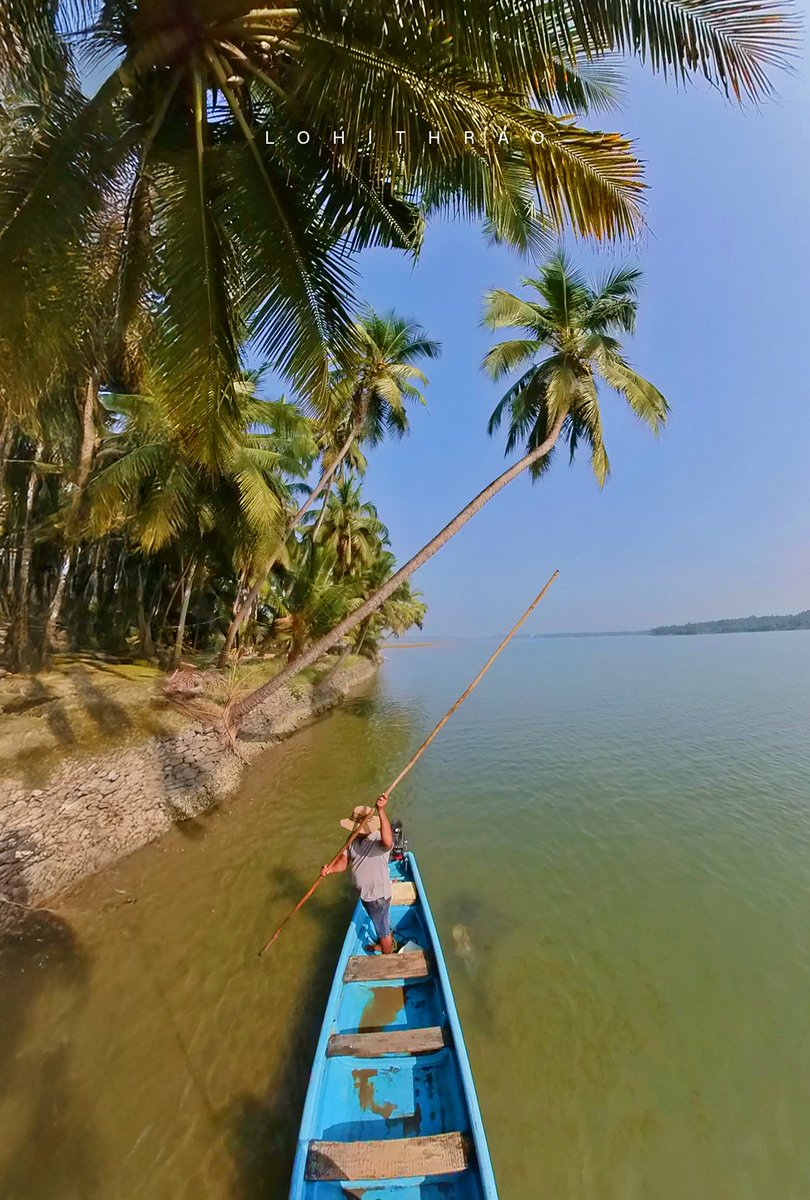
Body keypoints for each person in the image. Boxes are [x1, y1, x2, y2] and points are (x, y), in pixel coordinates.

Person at [321, 793, 395, 954]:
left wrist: (381, 810)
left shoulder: (378, 839)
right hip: (366, 895)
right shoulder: (352, 840)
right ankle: (383, 943)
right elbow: (343, 862)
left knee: (383, 931)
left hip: (378, 895)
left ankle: (387, 957)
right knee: (380, 923)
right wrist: (330, 869)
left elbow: (388, 841)